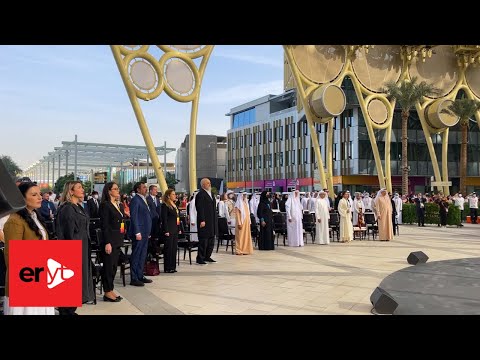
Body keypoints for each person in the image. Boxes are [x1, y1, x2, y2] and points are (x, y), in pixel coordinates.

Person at [3, 182, 55, 315]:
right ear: (22, 198)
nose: (40, 197)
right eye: (34, 194)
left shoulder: (35, 216)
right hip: (27, 279)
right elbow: (12, 256)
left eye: (39, 194)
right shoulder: (15, 221)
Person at [55, 181, 95, 315]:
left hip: (82, 247)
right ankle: (66, 310)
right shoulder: (67, 209)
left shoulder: (77, 207)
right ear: (71, 191)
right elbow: (67, 233)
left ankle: (70, 309)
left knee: (79, 280)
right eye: (79, 187)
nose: (82, 190)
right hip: (73, 249)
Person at [99, 182, 124, 302]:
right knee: (108, 267)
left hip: (118, 239)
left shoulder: (118, 204)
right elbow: (105, 225)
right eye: (115, 189)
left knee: (114, 266)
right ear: (109, 191)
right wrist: (107, 242)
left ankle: (111, 289)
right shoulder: (105, 205)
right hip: (110, 240)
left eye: (118, 188)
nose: (118, 190)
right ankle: (107, 291)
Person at [128, 182, 153, 286]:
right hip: (139, 232)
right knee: (136, 254)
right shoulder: (135, 200)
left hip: (145, 231)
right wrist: (137, 231)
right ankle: (134, 277)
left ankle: (140, 275)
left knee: (143, 254)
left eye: (146, 187)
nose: (145, 189)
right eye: (143, 188)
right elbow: (134, 217)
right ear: (138, 190)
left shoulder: (143, 199)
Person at [195, 178, 217, 264]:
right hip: (204, 221)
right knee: (204, 240)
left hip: (212, 221)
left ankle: (207, 256)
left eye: (210, 183)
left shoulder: (211, 194)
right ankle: (200, 258)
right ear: (203, 185)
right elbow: (199, 208)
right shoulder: (200, 194)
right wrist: (202, 220)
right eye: (208, 183)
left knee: (211, 239)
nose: (209, 184)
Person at [161, 189, 181, 273]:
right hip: (169, 229)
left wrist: (179, 228)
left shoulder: (175, 205)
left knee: (174, 248)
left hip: (175, 229)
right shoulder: (165, 205)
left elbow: (177, 218)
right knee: (168, 249)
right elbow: (164, 219)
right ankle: (168, 267)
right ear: (168, 195)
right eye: (173, 194)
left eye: (175, 194)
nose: (175, 195)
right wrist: (166, 230)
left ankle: (173, 266)